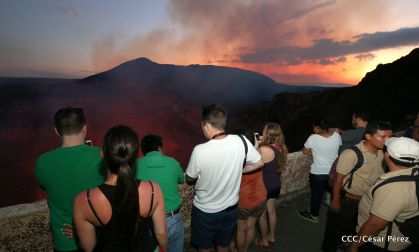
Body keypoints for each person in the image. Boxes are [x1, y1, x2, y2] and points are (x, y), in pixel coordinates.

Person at [73, 125, 168, 252]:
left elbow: (88, 246)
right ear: (135, 155)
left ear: (102, 153)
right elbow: (161, 232)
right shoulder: (152, 189)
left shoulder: (84, 200)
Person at [185, 104, 264, 252]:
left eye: (203, 126)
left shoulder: (200, 150)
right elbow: (259, 162)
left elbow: (189, 178)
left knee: (205, 247)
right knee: (224, 245)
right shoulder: (241, 141)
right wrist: (239, 170)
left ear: (207, 125)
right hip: (230, 209)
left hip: (205, 212)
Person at [35, 107, 105, 252]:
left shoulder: (42, 161)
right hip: (97, 237)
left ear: (56, 130)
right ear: (85, 128)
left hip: (64, 242)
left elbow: (46, 186)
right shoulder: (101, 155)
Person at [321, 121, 393, 252]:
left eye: (389, 137)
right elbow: (338, 178)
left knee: (354, 230)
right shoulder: (351, 154)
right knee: (335, 231)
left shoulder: (384, 153)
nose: (387, 141)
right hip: (348, 200)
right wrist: (335, 200)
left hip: (367, 201)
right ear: (368, 136)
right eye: (383, 137)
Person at [348, 137, 419, 251]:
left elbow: (375, 225)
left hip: (379, 242)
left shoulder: (392, 190)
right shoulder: (415, 172)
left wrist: (354, 245)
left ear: (386, 155)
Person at [136, 134, 185, 252]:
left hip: (149, 221)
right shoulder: (172, 162)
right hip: (173, 218)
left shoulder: (136, 165)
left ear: (143, 150)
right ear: (159, 148)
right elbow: (182, 179)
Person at [299, 119, 342, 223]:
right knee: (333, 190)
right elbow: (339, 148)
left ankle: (314, 215)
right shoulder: (336, 135)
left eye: (315, 127)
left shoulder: (313, 138)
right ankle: (333, 208)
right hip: (333, 172)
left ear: (319, 128)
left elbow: (305, 152)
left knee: (316, 195)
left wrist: (315, 153)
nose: (313, 129)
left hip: (318, 172)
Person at [255, 122, 288, 249]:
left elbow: (252, 160)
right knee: (272, 211)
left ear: (266, 134)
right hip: (275, 184)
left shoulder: (264, 149)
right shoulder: (281, 148)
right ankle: (272, 236)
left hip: (265, 186)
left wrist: (257, 145)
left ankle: (264, 240)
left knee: (261, 214)